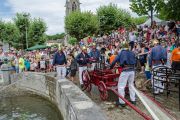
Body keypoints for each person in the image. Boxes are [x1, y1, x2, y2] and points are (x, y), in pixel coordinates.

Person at [110, 42, 136, 107]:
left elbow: (115, 60)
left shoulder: (121, 52)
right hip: (132, 71)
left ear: (122, 47)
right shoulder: (132, 52)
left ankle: (122, 102)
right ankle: (133, 100)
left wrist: (111, 67)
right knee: (131, 85)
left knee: (121, 86)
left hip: (125, 70)